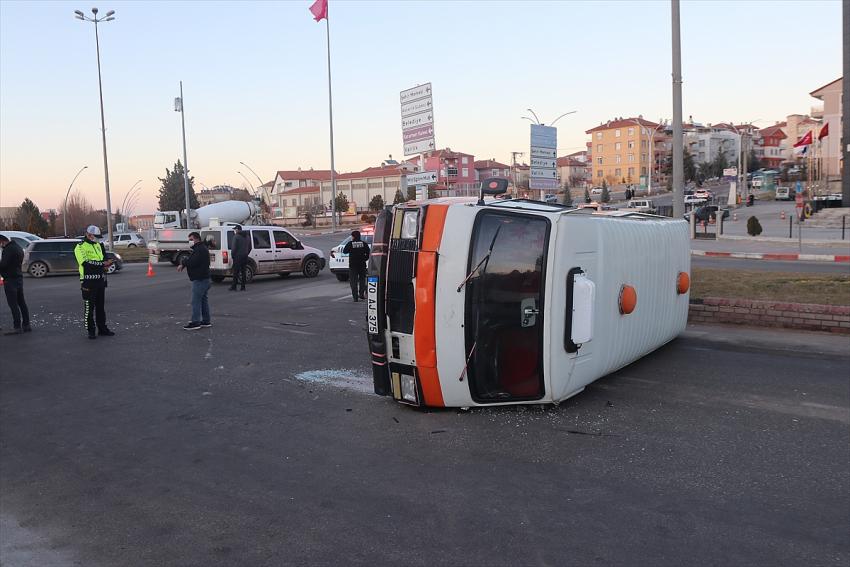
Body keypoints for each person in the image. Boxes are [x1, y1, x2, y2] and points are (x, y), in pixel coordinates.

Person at [74, 225, 114, 339]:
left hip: (100, 280)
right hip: (88, 281)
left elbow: (102, 260)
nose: (97, 239)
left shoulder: (98, 245)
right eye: (95, 236)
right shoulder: (80, 247)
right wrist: (103, 264)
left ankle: (102, 329)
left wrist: (107, 264)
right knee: (89, 307)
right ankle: (91, 330)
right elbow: (86, 263)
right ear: (88, 234)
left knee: (100, 307)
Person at [177, 232, 212, 330]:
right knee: (203, 300)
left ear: (197, 239)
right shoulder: (200, 248)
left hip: (200, 279)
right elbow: (193, 260)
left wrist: (183, 263)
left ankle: (195, 322)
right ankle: (206, 321)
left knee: (195, 301)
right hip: (204, 278)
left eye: (191, 239)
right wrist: (184, 264)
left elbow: (193, 262)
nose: (190, 241)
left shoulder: (200, 249)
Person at [0, 234, 31, 335]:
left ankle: (17, 326)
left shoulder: (8, 250)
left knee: (13, 304)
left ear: (2, 242)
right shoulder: (17, 247)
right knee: (21, 302)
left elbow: (4, 264)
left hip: (10, 279)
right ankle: (26, 325)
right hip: (18, 277)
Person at [343, 230, 370, 301]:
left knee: (353, 281)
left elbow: (345, 251)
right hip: (362, 264)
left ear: (353, 236)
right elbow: (368, 253)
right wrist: (364, 259)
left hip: (353, 265)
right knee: (362, 280)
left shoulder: (350, 243)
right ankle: (361, 294)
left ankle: (355, 297)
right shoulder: (364, 244)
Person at [230, 225, 249, 291]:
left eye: (235, 229)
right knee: (243, 272)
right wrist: (246, 253)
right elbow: (250, 246)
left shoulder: (236, 237)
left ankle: (234, 286)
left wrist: (233, 255)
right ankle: (243, 287)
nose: (234, 231)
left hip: (237, 257)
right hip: (245, 256)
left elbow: (234, 248)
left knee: (236, 272)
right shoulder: (247, 236)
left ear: (237, 229)